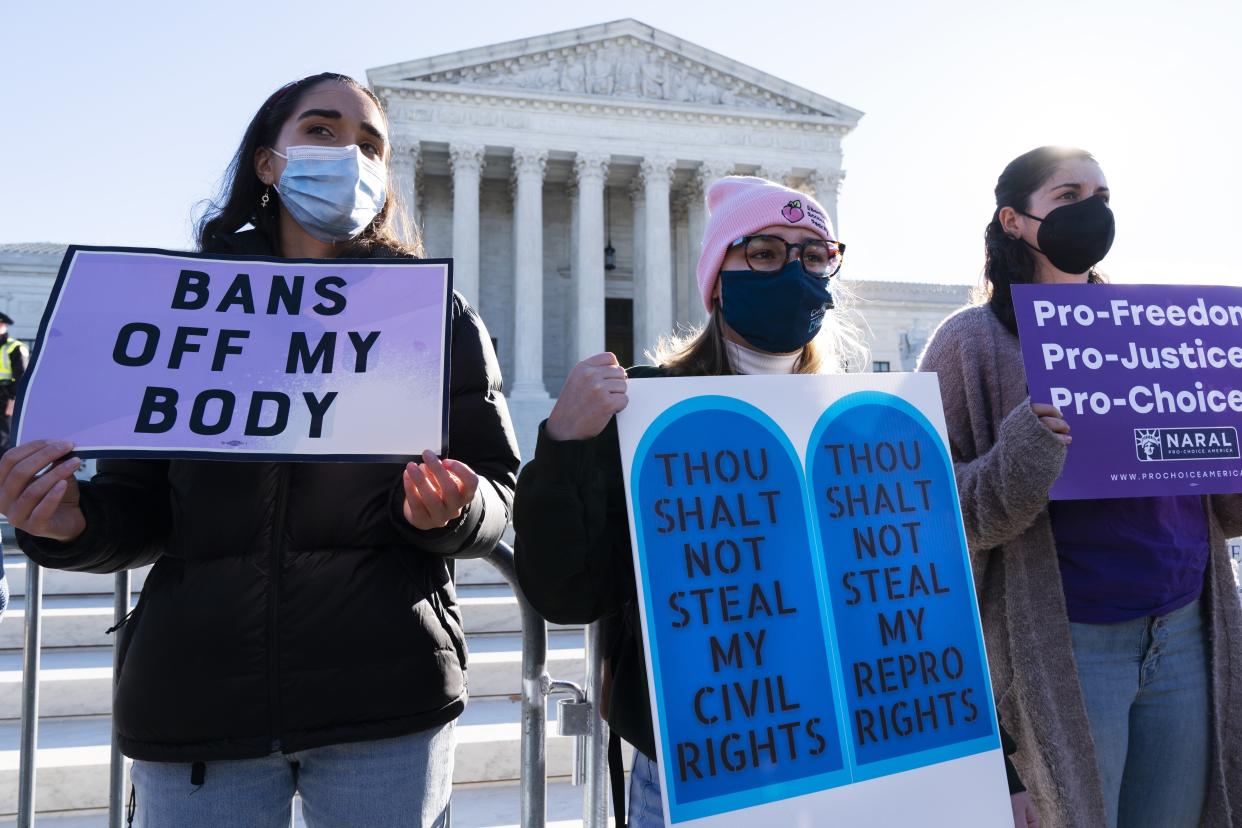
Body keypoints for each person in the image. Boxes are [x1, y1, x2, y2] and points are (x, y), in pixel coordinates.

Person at [0, 72, 520, 828]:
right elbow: (139, 505)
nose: (350, 153)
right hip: (202, 698)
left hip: (386, 695)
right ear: (266, 163)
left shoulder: (429, 314)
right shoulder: (183, 303)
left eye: (371, 143)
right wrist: (65, 527)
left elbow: (496, 492)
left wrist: (455, 508)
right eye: (321, 130)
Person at [515, 176, 1034, 827]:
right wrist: (564, 442)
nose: (794, 270)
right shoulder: (641, 414)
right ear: (718, 276)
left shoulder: (863, 426)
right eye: (764, 251)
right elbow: (566, 594)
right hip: (696, 772)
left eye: (814, 255)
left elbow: (917, 608)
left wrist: (999, 765)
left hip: (853, 764)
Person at [919, 145, 1242, 828]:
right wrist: (1025, 449)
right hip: (1071, 645)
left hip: (1184, 632)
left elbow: (1224, 508)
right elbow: (940, 514)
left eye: (1101, 195)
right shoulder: (969, 343)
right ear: (1013, 220)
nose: (1091, 210)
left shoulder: (1160, 327)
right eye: (1069, 196)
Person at [0, 312, 29, 450]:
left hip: (6, 396)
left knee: (4, 435)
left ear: (3, 325)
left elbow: (21, 376)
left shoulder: (15, 347)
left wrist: (13, 400)